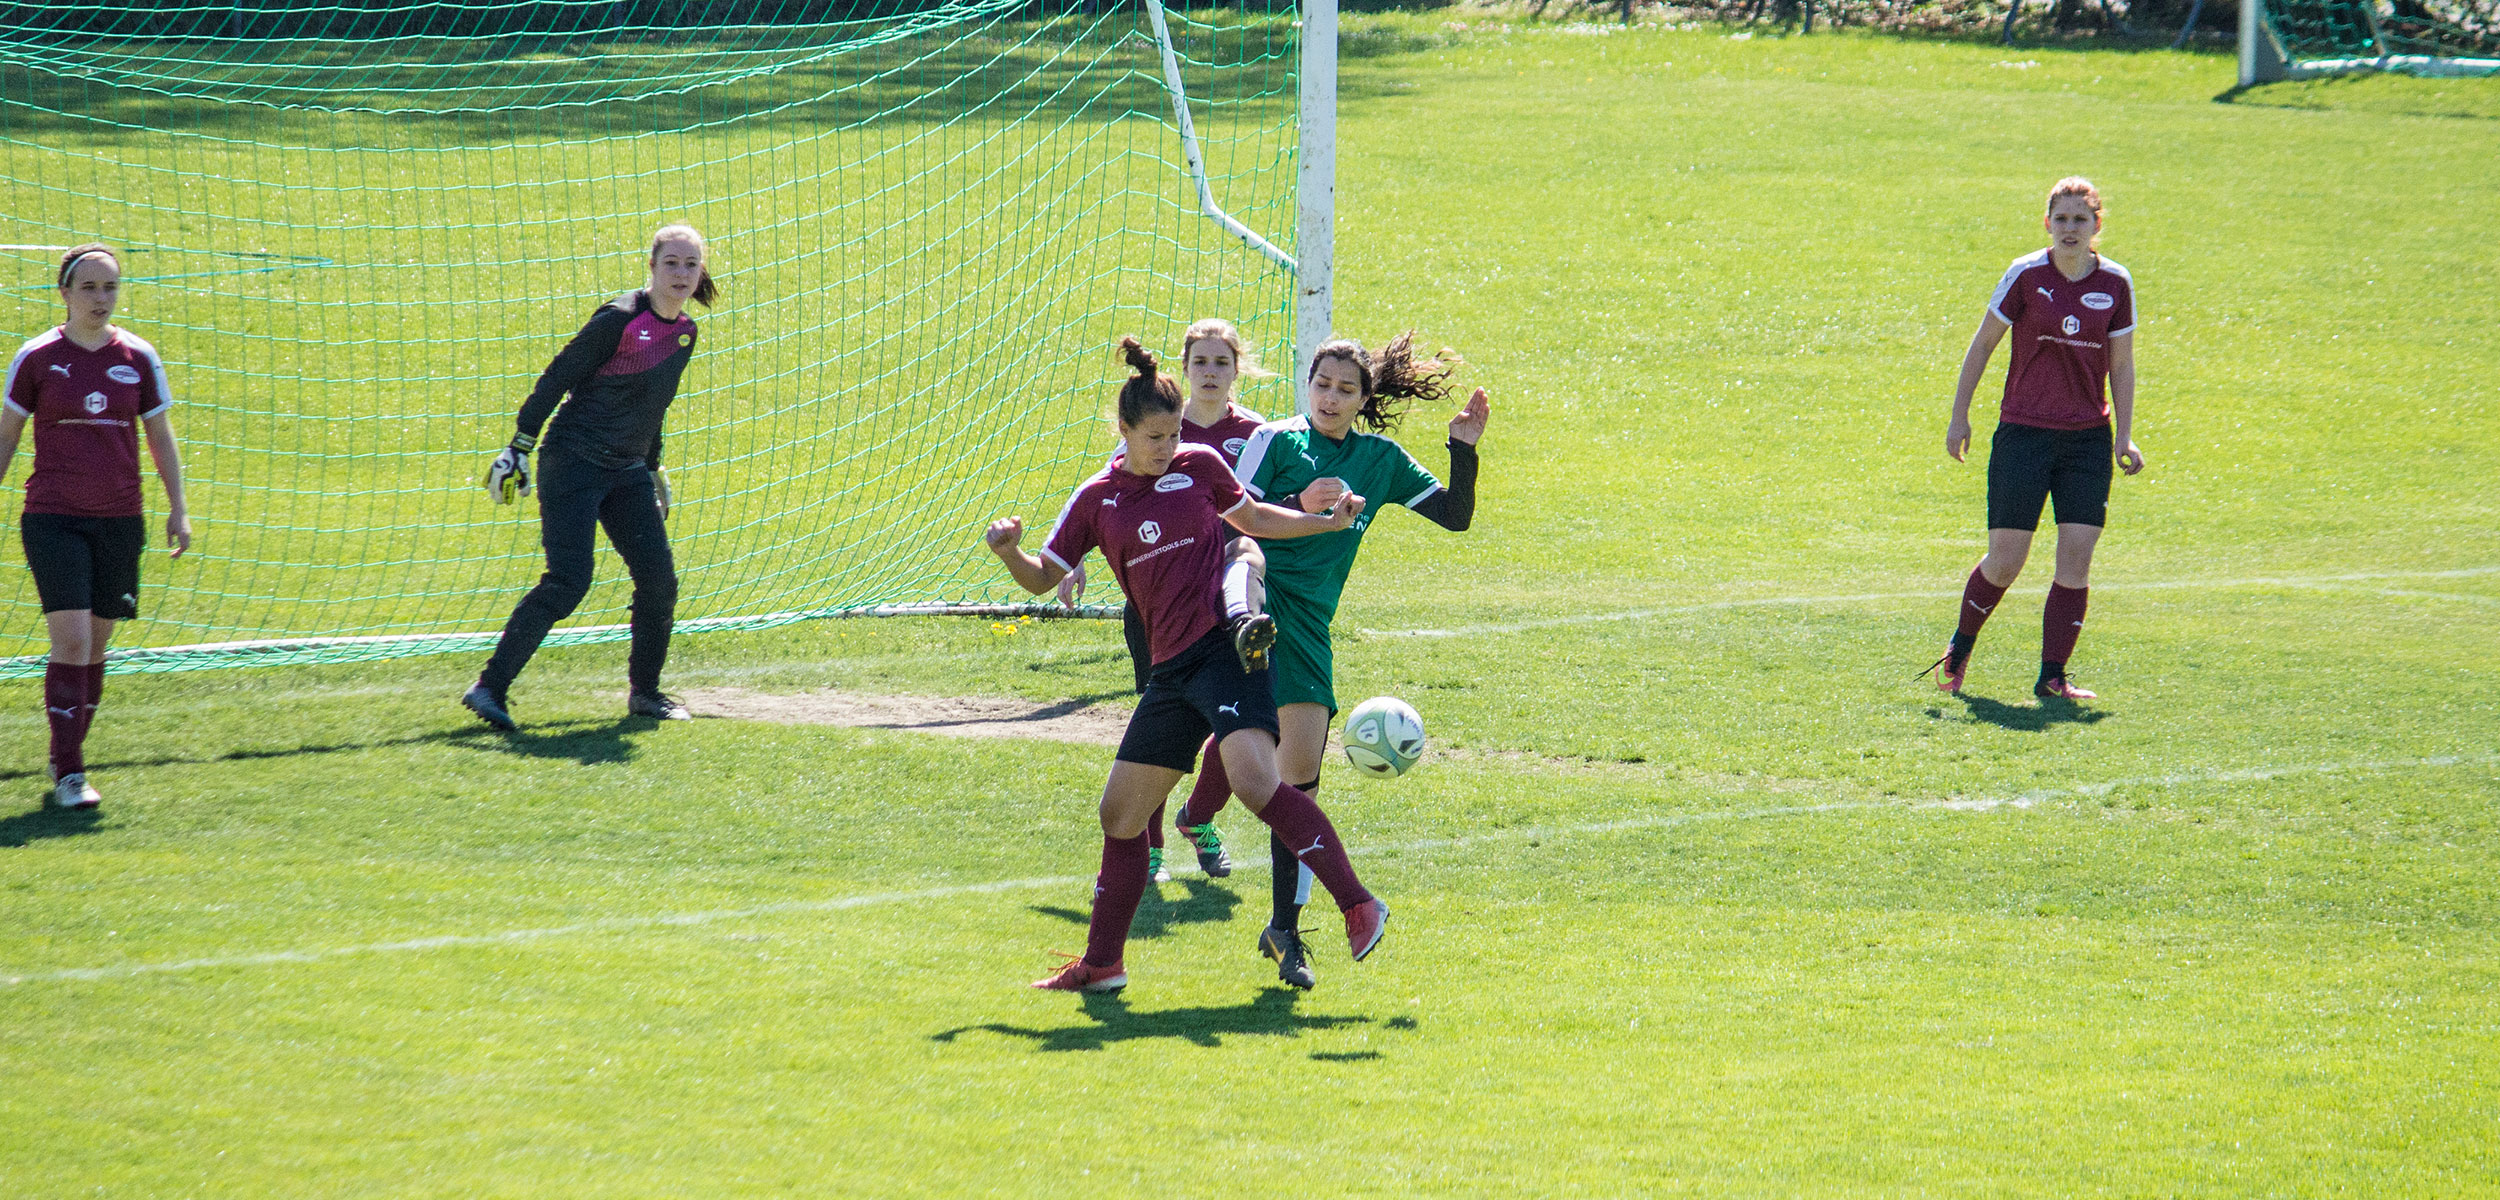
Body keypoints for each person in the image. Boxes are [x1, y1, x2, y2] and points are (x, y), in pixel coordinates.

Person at [985, 338, 1388, 993]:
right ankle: (1104, 965)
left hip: (1227, 653)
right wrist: (1008, 551)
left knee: (1258, 784)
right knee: (1120, 815)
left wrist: (1326, 524)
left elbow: (1253, 520)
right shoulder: (1095, 499)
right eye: (1153, 437)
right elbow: (1040, 579)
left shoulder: (1200, 466)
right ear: (1122, 432)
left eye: (1173, 434)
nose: (1168, 447)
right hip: (1171, 673)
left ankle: (1358, 906)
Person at [1179, 332, 1488, 989]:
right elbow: (1223, 521)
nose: (1331, 397)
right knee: (1248, 758)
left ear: (1363, 398)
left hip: (1310, 629)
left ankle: (1280, 926)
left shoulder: (1381, 462)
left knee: (1294, 785)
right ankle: (1252, 897)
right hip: (1245, 606)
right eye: (1322, 384)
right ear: (1307, 386)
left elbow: (1456, 517)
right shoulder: (1277, 441)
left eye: (1347, 389)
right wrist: (1303, 506)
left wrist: (1462, 450)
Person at [1056, 318, 1298, 883]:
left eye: (1221, 363)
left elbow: (1259, 513)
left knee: (1233, 729)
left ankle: (1202, 817)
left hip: (1228, 605)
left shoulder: (1257, 433)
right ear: (1184, 370)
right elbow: (1108, 497)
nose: (1210, 373)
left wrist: (1307, 516)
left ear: (1238, 370)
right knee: (1159, 730)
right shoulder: (1161, 423)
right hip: (1161, 605)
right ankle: (1153, 846)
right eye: (1200, 363)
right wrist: (1077, 558)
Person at [462, 224, 716, 730]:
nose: (681, 274)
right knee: (569, 581)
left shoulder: (685, 333)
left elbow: (654, 406)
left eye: (691, 264)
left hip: (626, 472)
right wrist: (520, 446)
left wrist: (653, 466)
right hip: (573, 463)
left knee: (659, 582)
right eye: (672, 263)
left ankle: (645, 693)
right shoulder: (619, 320)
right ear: (652, 267)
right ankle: (489, 688)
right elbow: (557, 378)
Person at [1926, 177, 2143, 701]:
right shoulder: (2025, 275)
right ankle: (1960, 648)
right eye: (2062, 219)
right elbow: (1981, 347)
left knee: (2076, 557)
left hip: (2087, 440)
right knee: (2005, 560)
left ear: (2097, 226)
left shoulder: (2116, 283)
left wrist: (2126, 437)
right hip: (2024, 434)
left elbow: (2122, 363)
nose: (2071, 228)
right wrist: (1960, 417)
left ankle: (2053, 677)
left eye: (2081, 219)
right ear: (2048, 224)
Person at [0, 243, 193, 810]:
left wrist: (178, 508)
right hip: (53, 517)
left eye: (109, 287)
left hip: (119, 521)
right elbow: (8, 435)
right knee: (73, 638)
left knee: (97, 647)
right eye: (88, 287)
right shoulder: (37, 357)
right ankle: (70, 773)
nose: (101, 298)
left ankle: (66, 755)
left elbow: (160, 436)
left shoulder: (138, 356)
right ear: (64, 293)